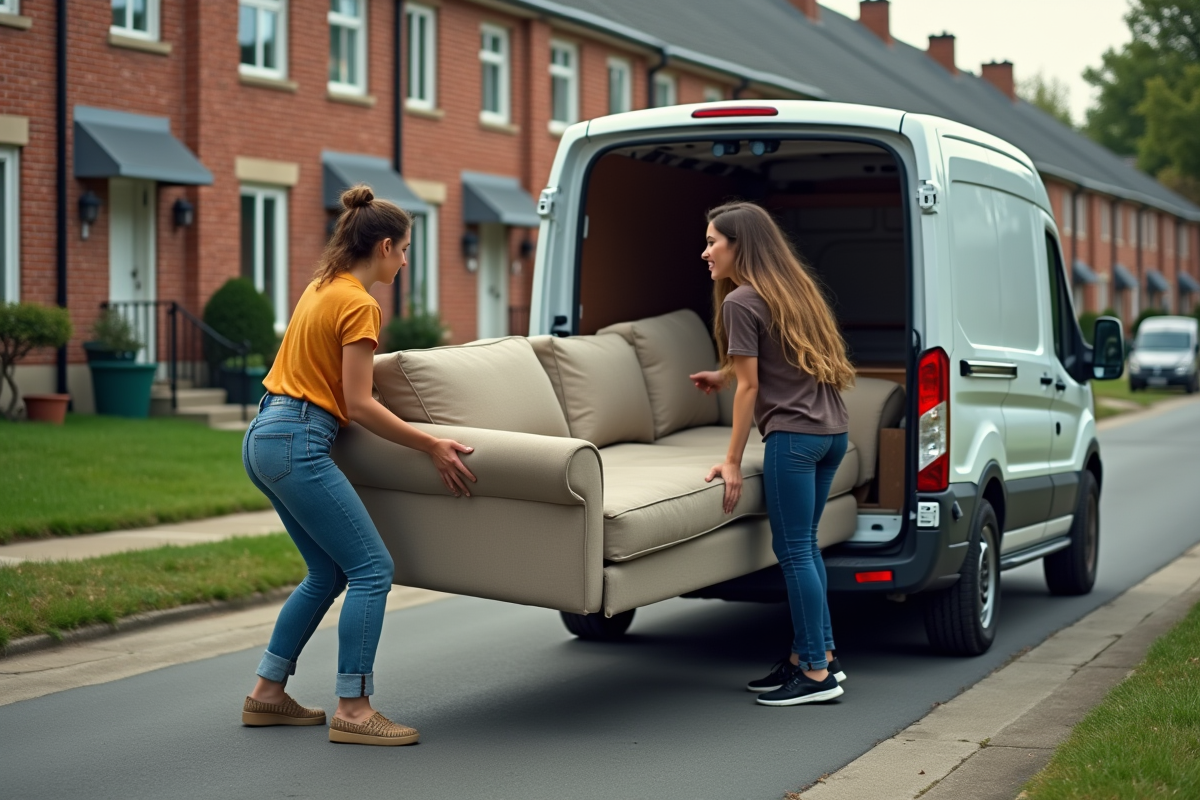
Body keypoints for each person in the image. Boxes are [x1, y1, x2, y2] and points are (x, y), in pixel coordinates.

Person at [240, 185, 476, 745]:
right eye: (405, 250)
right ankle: (354, 706)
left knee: (327, 573)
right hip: (298, 440)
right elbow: (359, 403)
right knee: (372, 568)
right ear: (385, 246)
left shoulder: (322, 287)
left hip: (265, 434)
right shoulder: (360, 303)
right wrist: (432, 444)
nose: (405, 262)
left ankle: (267, 693)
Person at [690, 201, 855, 707]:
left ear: (739, 245)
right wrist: (723, 374)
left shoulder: (740, 301)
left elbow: (751, 387)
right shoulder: (793, 289)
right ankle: (816, 655)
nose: (705, 252)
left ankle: (816, 674)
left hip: (794, 439)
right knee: (806, 546)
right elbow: (776, 362)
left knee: (795, 550)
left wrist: (732, 460)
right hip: (832, 435)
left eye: (713, 242)